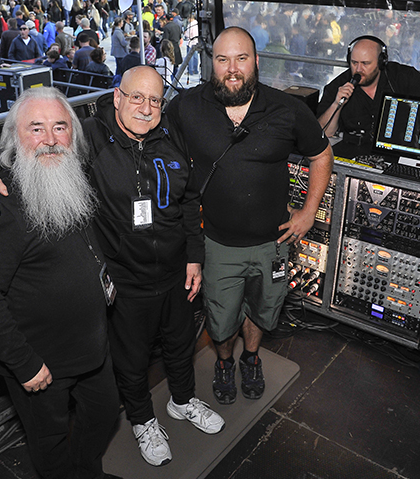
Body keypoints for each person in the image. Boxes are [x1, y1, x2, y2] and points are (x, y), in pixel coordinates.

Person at [0, 66, 225, 468]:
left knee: (129, 390)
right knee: (114, 381)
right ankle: (141, 423)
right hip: (109, 297)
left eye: (154, 99)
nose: (145, 107)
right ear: (117, 97)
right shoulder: (89, 139)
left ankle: (178, 404)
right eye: (37, 128)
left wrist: (194, 255)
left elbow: (190, 200)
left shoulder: (171, 135)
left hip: (156, 287)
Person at [165, 26, 334, 405]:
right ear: (213, 64)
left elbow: (321, 154)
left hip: (272, 244)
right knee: (221, 319)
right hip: (217, 245)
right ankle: (225, 362)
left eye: (241, 58)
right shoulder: (187, 107)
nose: (232, 68)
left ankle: (251, 358)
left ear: (257, 62)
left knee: (263, 309)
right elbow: (149, 137)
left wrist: (309, 212)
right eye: (223, 59)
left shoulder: (286, 109)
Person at [0, 87, 120, 479]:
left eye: (59, 127)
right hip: (41, 361)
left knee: (102, 414)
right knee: (49, 442)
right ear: (16, 140)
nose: (50, 140)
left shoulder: (70, 168)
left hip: (90, 348)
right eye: (36, 129)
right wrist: (25, 364)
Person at [317, 35, 420, 148]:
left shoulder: (403, 77)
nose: (358, 69)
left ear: (381, 62)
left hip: (398, 152)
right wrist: (336, 104)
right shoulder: (339, 85)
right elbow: (324, 133)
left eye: (366, 63)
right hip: (354, 151)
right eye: (354, 62)